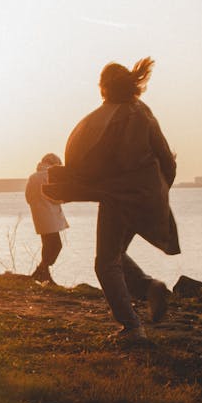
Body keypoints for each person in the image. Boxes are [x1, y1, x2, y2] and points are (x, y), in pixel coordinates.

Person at [44, 57, 179, 345]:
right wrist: (159, 190)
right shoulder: (143, 113)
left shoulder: (107, 119)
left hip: (118, 198)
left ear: (104, 88)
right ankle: (149, 287)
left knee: (105, 262)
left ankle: (132, 328)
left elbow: (91, 166)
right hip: (146, 195)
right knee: (115, 254)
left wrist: (67, 183)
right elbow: (167, 159)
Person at [25, 153, 68, 283]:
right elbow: (56, 196)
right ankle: (40, 270)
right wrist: (63, 200)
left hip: (39, 216)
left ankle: (44, 274)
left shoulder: (33, 177)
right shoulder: (50, 175)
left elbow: (28, 197)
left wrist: (37, 207)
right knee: (56, 246)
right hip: (51, 216)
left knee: (48, 245)